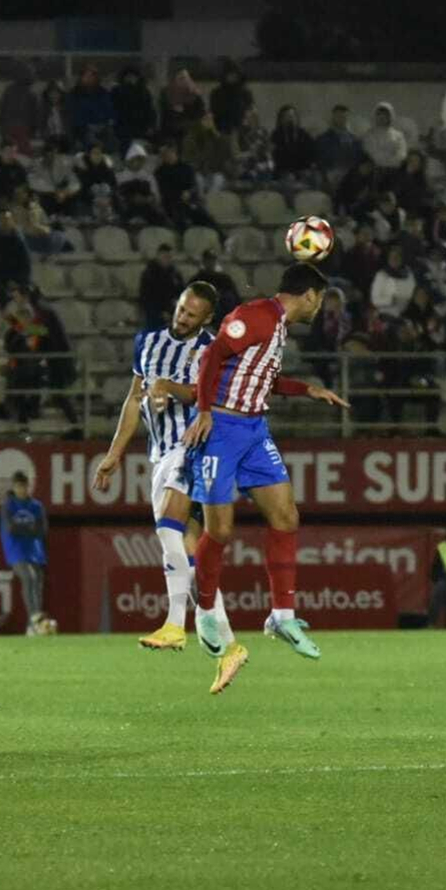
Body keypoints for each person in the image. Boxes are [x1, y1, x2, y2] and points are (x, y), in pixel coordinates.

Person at [181, 263, 352, 693]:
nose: (319, 307)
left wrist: (305, 389)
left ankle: (281, 616)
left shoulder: (276, 326)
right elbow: (213, 356)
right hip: (221, 429)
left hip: (255, 431)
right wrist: (203, 410)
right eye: (321, 299)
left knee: (286, 516)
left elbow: (259, 376)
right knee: (219, 529)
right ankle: (204, 612)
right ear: (310, 295)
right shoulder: (256, 314)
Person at [93, 282, 229, 651]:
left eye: (192, 315)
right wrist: (114, 453)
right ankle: (226, 637)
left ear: (207, 319)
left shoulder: (209, 350)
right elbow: (134, 399)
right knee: (187, 546)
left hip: (192, 447)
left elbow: (205, 396)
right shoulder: (147, 343)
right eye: (182, 309)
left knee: (169, 530)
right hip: (161, 454)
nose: (183, 318)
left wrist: (169, 386)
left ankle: (174, 624)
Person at [0, 470, 50, 636]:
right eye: (19, 486)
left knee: (38, 584)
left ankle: (33, 626)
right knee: (29, 577)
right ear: (14, 487)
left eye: (24, 486)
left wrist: (25, 529)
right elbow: (11, 528)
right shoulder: (8, 506)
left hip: (35, 551)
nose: (22, 489)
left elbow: (43, 530)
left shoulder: (36, 506)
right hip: (16, 551)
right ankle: (35, 618)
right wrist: (30, 529)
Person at [138, 243, 184, 330]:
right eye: (164, 256)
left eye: (169, 257)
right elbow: (145, 298)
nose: (167, 259)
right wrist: (159, 313)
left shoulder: (175, 274)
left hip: (173, 313)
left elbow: (181, 293)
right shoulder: (149, 274)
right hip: (154, 315)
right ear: (158, 256)